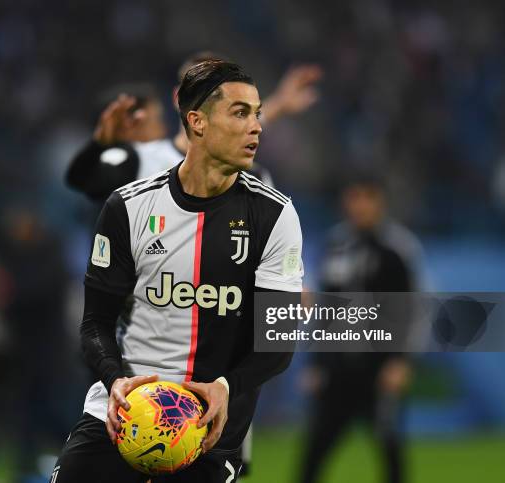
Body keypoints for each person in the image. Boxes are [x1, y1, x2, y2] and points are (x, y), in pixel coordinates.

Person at [52, 60, 304, 483]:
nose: (257, 126)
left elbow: (277, 343)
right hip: (121, 415)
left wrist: (225, 386)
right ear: (197, 122)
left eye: (258, 113)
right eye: (241, 113)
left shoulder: (274, 215)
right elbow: (95, 324)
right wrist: (115, 381)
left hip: (206, 428)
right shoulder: (128, 206)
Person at [65, 51, 322, 201]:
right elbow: (80, 181)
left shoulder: (254, 178)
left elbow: (273, 263)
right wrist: (99, 143)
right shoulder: (139, 161)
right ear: (179, 98)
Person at [299, 175, 423, 483]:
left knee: (390, 448)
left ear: (379, 201)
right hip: (339, 367)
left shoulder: (398, 247)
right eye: (353, 198)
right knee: (314, 450)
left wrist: (401, 360)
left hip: (379, 367)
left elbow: (412, 308)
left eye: (366, 198)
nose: (358, 206)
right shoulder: (335, 244)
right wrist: (316, 363)